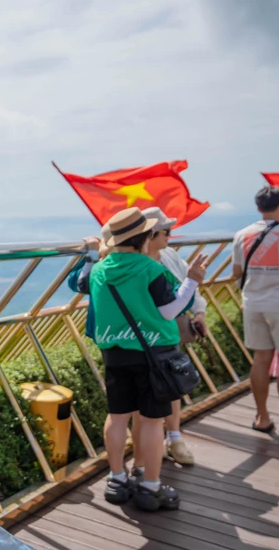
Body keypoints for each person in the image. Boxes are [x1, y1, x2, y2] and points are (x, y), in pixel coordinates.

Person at [89, 207, 205, 512]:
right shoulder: (150, 269)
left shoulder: (100, 269)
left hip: (114, 354)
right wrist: (192, 280)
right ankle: (150, 487)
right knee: (153, 421)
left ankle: (117, 480)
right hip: (152, 355)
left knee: (117, 417)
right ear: (144, 238)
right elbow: (170, 310)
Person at [138, 207, 205, 466]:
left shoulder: (169, 257)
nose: (170, 235)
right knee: (147, 393)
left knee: (171, 383)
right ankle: (148, 457)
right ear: (151, 234)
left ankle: (174, 438)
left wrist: (199, 311)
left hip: (167, 333)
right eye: (166, 231)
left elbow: (187, 282)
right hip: (145, 336)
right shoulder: (138, 263)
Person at [232, 186, 279, 434]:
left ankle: (262, 417)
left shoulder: (242, 234)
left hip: (253, 303)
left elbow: (237, 272)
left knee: (261, 360)